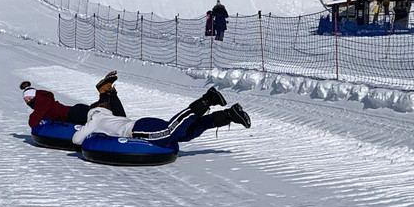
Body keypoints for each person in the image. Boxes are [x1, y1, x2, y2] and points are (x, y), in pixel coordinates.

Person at [72, 87, 250, 148]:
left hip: (137, 130)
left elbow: (76, 140)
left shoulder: (94, 120)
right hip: (141, 123)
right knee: (186, 133)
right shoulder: (110, 115)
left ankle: (206, 100)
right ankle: (228, 115)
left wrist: (89, 129)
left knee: (169, 131)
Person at [22, 72, 125, 128]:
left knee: (115, 119)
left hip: (74, 114)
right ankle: (108, 91)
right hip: (76, 111)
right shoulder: (43, 100)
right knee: (115, 117)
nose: (28, 101)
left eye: (29, 98)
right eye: (25, 100)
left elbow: (33, 121)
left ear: (35, 95)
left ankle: (105, 91)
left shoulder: (41, 101)